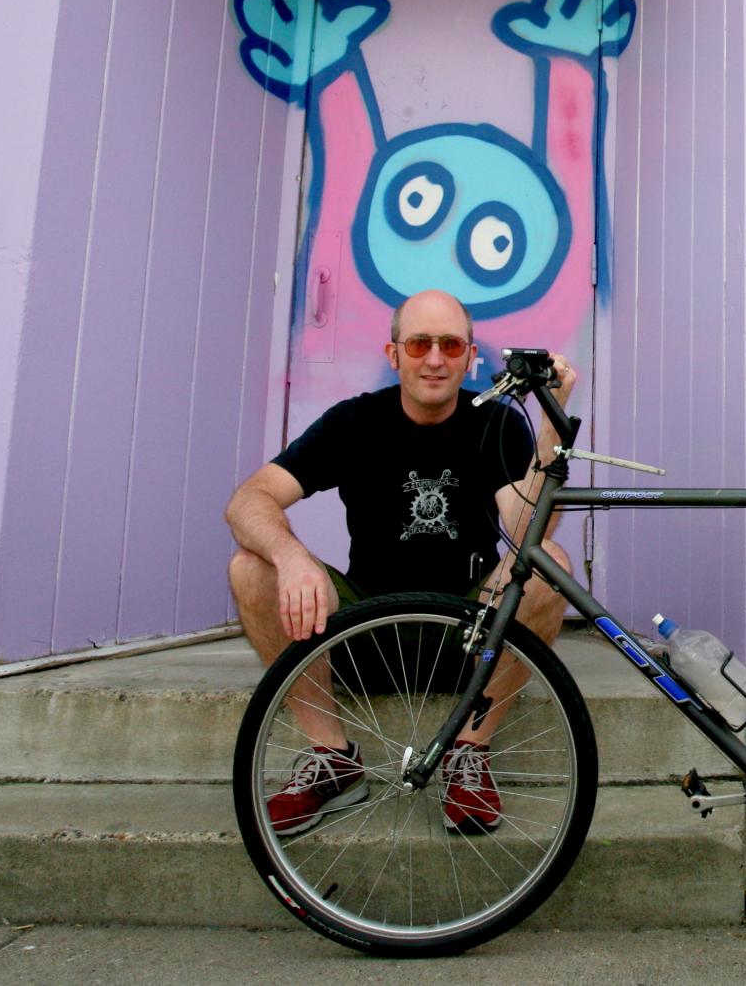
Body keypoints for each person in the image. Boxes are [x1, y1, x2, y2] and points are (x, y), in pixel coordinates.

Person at [224, 288, 576, 838]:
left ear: (469, 355)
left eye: (449, 345)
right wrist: (291, 556)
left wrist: (551, 422)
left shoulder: (498, 423)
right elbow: (249, 499)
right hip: (365, 630)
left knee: (549, 561)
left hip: (467, 633)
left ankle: (468, 753)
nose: (434, 359)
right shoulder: (354, 422)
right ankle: (335, 759)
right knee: (252, 566)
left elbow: (525, 530)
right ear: (394, 355)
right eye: (418, 344)